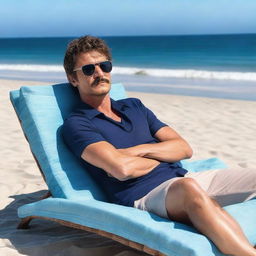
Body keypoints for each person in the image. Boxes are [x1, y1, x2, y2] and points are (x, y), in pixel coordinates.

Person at [62, 35, 256, 256]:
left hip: (184, 176)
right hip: (144, 194)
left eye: (104, 66)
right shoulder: (77, 124)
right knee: (188, 189)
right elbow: (122, 170)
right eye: (88, 69)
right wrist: (162, 154)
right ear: (73, 79)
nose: (99, 73)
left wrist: (138, 151)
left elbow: (183, 149)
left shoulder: (133, 106)